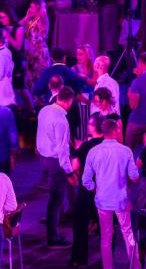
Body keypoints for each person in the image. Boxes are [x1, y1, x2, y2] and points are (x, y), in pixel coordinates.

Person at [82, 118, 141, 269]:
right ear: (115, 131)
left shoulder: (93, 152)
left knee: (106, 237)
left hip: (103, 201)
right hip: (121, 200)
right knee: (128, 234)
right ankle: (135, 266)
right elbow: (134, 177)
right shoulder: (125, 151)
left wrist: (95, 188)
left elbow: (86, 180)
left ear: (103, 132)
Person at [36, 86, 78, 248]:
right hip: (56, 163)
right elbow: (62, 151)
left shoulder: (44, 110)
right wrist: (70, 172)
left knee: (53, 199)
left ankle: (53, 233)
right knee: (55, 200)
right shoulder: (61, 121)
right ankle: (53, 238)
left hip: (44, 159)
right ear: (68, 101)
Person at [70, 114, 105, 267]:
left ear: (94, 127)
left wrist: (77, 151)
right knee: (107, 229)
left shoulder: (85, 146)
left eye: (90, 124)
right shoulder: (112, 146)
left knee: (80, 226)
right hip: (106, 193)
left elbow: (74, 167)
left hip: (87, 193)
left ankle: (79, 258)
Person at [127, 53, 146, 150]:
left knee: (129, 149)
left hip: (138, 122)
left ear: (142, 63)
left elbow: (133, 105)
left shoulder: (137, 82)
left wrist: (130, 93)